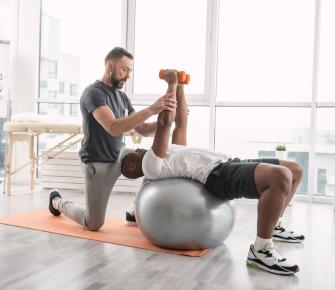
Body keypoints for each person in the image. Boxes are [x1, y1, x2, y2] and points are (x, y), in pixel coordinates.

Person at [121, 70, 304, 275]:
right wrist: (171, 83)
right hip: (218, 175)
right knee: (281, 176)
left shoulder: (171, 154)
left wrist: (181, 86)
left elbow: (181, 121)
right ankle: (261, 249)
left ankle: (275, 224)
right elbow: (165, 122)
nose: (138, 148)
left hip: (229, 162)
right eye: (134, 152)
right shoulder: (151, 166)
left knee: (295, 169)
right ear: (131, 166)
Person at [48, 47, 177, 231]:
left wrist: (168, 121)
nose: (127, 76)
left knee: (154, 162)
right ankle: (57, 202)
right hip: (97, 164)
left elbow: (144, 130)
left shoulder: (122, 97)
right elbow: (113, 127)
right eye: (124, 70)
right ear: (110, 66)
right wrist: (152, 109)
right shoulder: (93, 93)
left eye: (130, 71)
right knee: (93, 223)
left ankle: (134, 211)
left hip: (120, 156)